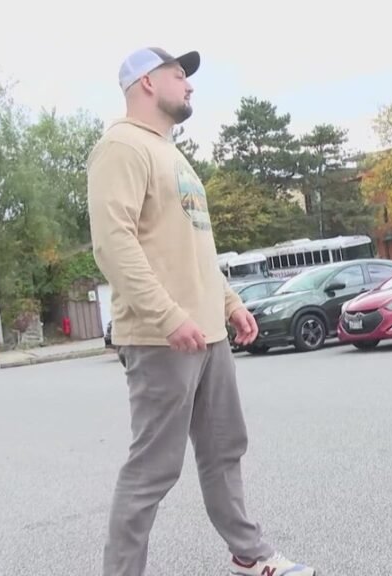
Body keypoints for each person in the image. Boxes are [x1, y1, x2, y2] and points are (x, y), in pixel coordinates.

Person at [87, 47, 318, 576]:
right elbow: (113, 244)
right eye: (178, 75)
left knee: (224, 449)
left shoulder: (176, 156)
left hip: (208, 333)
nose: (189, 85)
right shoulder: (121, 147)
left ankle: (249, 553)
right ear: (147, 82)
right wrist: (168, 316)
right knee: (152, 469)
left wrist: (230, 303)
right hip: (160, 338)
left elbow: (197, 248)